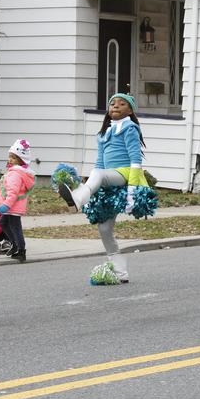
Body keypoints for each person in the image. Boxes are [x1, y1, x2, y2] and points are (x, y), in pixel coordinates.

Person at [58, 93, 148, 282]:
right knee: (104, 229)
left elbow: (135, 159)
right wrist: (94, 189)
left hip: (123, 175)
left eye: (122, 104)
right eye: (112, 103)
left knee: (97, 175)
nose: (115, 106)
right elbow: (99, 163)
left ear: (130, 111)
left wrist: (132, 190)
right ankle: (121, 273)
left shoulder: (129, 128)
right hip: (107, 179)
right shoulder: (104, 133)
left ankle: (77, 199)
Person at [0, 139, 35, 263]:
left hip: (12, 207)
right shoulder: (14, 172)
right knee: (3, 223)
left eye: (14, 158)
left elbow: (13, 193)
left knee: (16, 228)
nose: (10, 159)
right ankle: (15, 244)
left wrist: (5, 206)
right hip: (11, 207)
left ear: (21, 161)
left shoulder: (16, 174)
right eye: (10, 156)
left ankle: (21, 250)